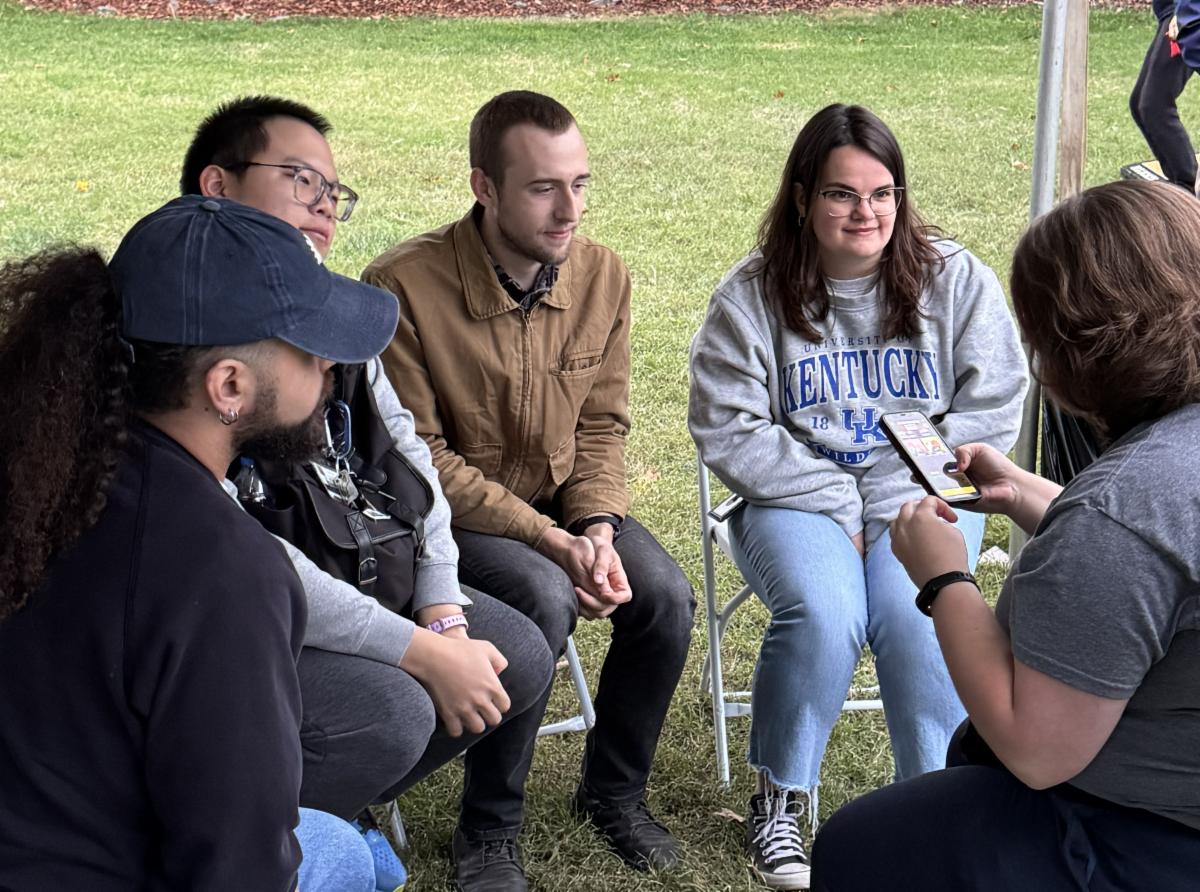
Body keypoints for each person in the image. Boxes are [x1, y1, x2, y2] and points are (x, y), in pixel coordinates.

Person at [182, 96, 554, 892]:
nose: (324, 205)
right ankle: (293, 829)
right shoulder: (182, 330)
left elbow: (411, 462)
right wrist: (419, 650)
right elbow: (241, 560)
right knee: (393, 710)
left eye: (334, 190)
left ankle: (338, 805)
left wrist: (443, 608)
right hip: (253, 618)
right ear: (218, 185)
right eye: (300, 179)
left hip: (361, 565)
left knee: (517, 650)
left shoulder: (333, 310)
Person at [0, 196, 399, 890]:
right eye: (310, 350)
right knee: (345, 858)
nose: (330, 367)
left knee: (343, 846)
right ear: (229, 385)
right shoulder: (224, 572)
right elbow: (237, 868)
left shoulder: (45, 464)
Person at [811, 179, 1200, 891]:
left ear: (1073, 350)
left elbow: (1036, 749)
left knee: (858, 847)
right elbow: (1157, 566)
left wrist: (944, 580)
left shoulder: (1121, 511)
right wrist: (1027, 494)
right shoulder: (1154, 483)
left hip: (1138, 836)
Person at [688, 104, 1028, 890]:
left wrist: (897, 496)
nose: (865, 212)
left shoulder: (954, 279)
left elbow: (993, 402)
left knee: (924, 615)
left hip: (922, 492)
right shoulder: (750, 296)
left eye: (882, 193)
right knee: (824, 610)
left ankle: (939, 804)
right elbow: (727, 426)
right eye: (842, 194)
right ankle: (781, 798)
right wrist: (841, 503)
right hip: (795, 497)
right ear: (803, 198)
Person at [364, 90, 696, 874]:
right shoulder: (402, 285)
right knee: (543, 598)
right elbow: (420, 460)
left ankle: (614, 794)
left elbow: (602, 425)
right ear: (484, 187)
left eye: (579, 184)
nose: (569, 210)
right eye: (544, 188)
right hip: (446, 519)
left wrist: (597, 528)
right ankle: (489, 828)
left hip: (560, 503)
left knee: (665, 598)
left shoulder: (604, 276)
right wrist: (549, 541)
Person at [1131, 0, 1197, 192]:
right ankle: (1180, 183)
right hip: (1172, 11)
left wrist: (1185, 13)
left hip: (1187, 14)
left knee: (1154, 106)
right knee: (1139, 104)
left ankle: (1188, 187)